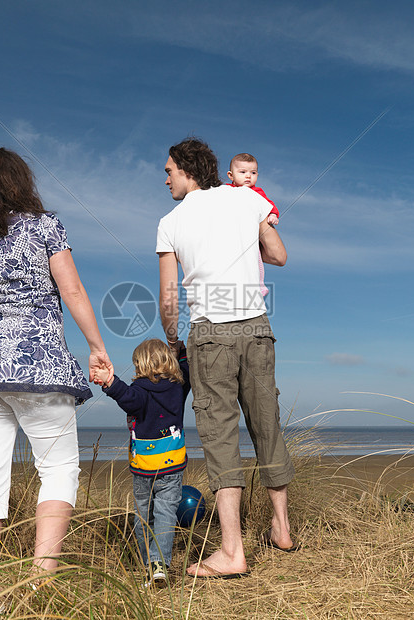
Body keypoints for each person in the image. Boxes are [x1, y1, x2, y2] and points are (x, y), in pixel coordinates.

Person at [0, 147, 113, 600]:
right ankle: (40, 581)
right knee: (57, 469)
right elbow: (71, 288)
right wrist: (97, 346)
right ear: (23, 184)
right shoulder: (45, 226)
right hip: (39, 366)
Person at [156, 137, 297, 579]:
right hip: (257, 325)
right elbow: (278, 254)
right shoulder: (245, 198)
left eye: (168, 171)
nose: (166, 179)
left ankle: (232, 552)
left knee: (219, 433)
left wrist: (174, 339)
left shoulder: (170, 221)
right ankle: (282, 528)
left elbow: (167, 298)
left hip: (211, 333)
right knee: (265, 420)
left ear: (186, 170)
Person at [93, 339, 190, 588]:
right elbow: (187, 369)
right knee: (166, 513)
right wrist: (181, 352)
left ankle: (149, 563)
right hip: (172, 464)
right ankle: (160, 565)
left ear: (140, 364)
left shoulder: (139, 389)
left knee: (143, 516)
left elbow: (125, 396)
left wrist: (108, 381)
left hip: (144, 466)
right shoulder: (179, 386)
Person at [227, 152, 280, 297]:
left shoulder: (257, 192)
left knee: (255, 261)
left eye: (253, 172)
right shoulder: (226, 190)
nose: (248, 176)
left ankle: (259, 285)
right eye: (243, 172)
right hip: (234, 232)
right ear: (231, 175)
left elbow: (269, 205)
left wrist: (273, 214)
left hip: (251, 236)